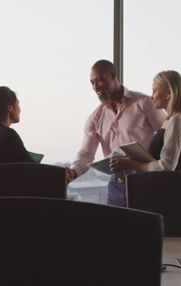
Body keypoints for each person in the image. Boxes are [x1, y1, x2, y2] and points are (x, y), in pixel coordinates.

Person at [67, 60, 166, 207]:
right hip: (116, 186)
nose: (96, 87)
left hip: (146, 182)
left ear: (113, 76)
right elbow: (86, 153)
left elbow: (167, 136)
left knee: (146, 229)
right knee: (115, 229)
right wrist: (73, 172)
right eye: (92, 83)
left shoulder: (145, 103)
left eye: (100, 80)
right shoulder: (95, 118)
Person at [109, 70, 181, 173]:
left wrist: (132, 164)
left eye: (155, 91)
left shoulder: (177, 120)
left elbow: (166, 166)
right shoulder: (170, 120)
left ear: (168, 93)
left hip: (171, 187)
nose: (152, 96)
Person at [0, 86, 35, 166]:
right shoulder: (8, 134)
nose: (20, 109)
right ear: (9, 107)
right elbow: (32, 168)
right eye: (18, 103)